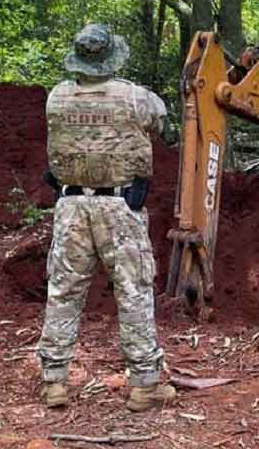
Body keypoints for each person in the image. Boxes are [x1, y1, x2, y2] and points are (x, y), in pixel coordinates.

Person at [37, 24, 176, 412]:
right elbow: (160, 124)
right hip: (118, 207)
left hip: (70, 207)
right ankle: (144, 384)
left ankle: (54, 382)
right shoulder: (135, 97)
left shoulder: (56, 98)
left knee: (63, 291)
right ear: (111, 58)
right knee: (133, 291)